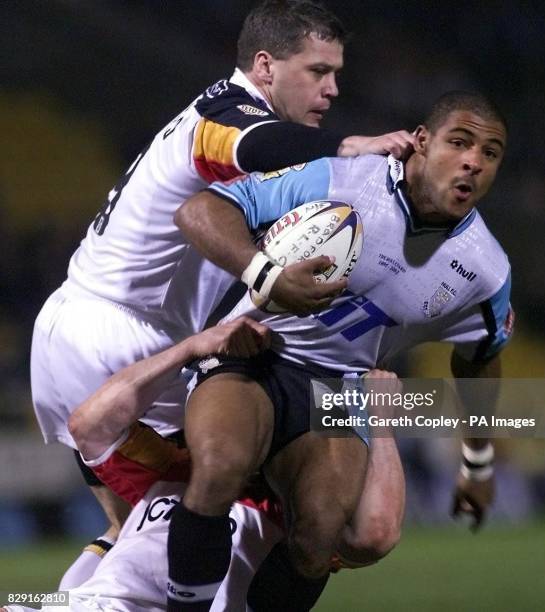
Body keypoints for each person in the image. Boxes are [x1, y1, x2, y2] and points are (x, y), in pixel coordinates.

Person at [29, 0, 413, 588]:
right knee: (251, 501)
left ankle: (46, 604)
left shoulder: (235, 124)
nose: (333, 88)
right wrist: (347, 147)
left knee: (139, 524)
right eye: (317, 71)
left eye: (336, 73)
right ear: (264, 66)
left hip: (85, 329)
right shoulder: (227, 117)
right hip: (123, 337)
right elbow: (258, 148)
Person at [171, 90, 513, 610]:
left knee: (319, 536)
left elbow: (480, 360)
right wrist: (268, 276)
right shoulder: (341, 178)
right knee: (221, 464)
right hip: (253, 349)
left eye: (490, 153)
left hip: (337, 389)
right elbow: (200, 211)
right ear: (421, 141)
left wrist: (479, 462)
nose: (473, 161)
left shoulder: (486, 271)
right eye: (459, 142)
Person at [2, 320, 403, 612]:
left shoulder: (298, 512)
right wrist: (190, 348)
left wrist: (382, 425)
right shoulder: (179, 470)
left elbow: (376, 534)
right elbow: (88, 425)